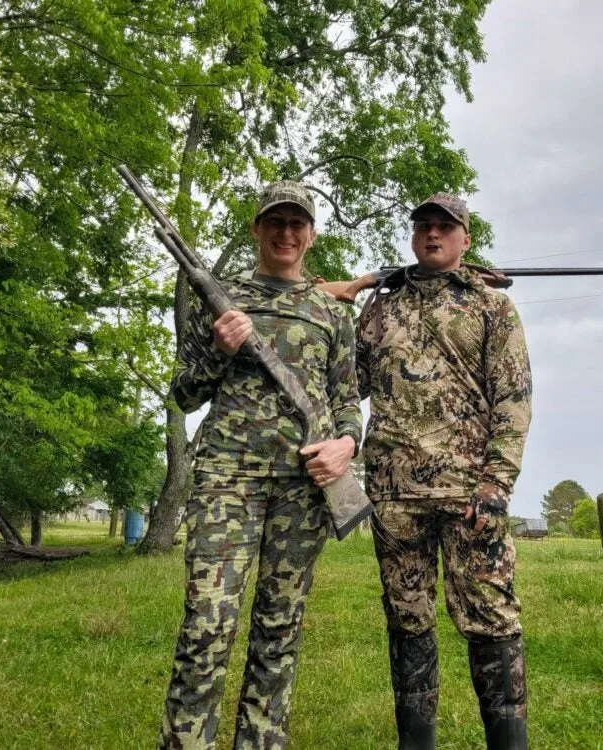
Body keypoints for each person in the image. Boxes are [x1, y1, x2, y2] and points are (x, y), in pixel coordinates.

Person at [160, 181, 362, 749]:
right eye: (275, 222)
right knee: (207, 626)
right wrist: (220, 351)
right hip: (227, 480)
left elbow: (347, 398)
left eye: (298, 223)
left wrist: (347, 443)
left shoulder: (331, 311)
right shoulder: (221, 296)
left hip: (304, 491)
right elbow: (183, 393)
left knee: (279, 632)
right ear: (256, 229)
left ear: (312, 235)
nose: (286, 233)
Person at [356, 193, 533, 749]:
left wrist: (495, 484)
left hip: (468, 495)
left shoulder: (490, 306)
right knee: (407, 622)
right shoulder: (381, 307)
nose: (433, 234)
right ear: (413, 237)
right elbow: (347, 385)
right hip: (394, 496)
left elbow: (514, 396)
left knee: (491, 621)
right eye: (423, 226)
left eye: (445, 226)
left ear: (465, 238)